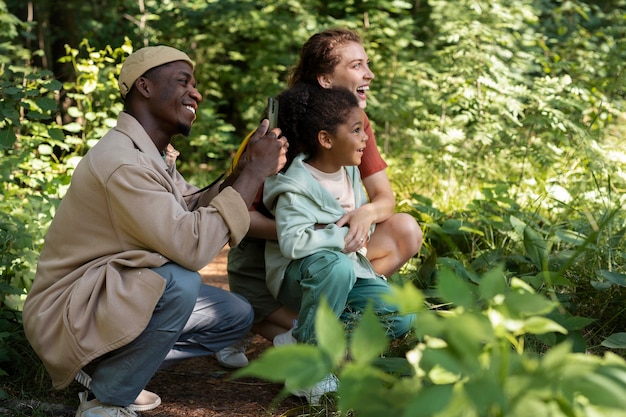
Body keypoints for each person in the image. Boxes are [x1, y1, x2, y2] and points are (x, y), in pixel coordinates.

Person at [22, 45, 288, 417]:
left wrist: (241, 173)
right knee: (179, 281)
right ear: (144, 87)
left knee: (234, 315)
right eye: (183, 81)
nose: (196, 92)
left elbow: (190, 207)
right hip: (68, 315)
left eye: (195, 84)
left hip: (104, 300)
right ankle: (107, 400)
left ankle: (111, 374)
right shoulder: (122, 162)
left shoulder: (150, 154)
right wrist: (255, 175)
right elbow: (191, 247)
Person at [219, 28, 422, 368]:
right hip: (273, 265)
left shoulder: (356, 124)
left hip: (330, 253)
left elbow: (385, 197)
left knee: (406, 230)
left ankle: (310, 325)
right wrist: (309, 230)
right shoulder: (278, 130)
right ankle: (259, 321)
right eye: (357, 65)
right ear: (326, 78)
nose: (369, 74)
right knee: (327, 274)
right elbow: (237, 216)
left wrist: (365, 214)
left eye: (367, 64)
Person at [262, 83, 415, 403]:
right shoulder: (296, 184)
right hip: (297, 274)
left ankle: (302, 338)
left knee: (401, 314)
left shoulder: (351, 172)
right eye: (357, 131)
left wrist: (363, 219)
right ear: (326, 139)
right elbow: (291, 242)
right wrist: (340, 234)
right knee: (338, 268)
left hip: (345, 268)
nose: (365, 138)